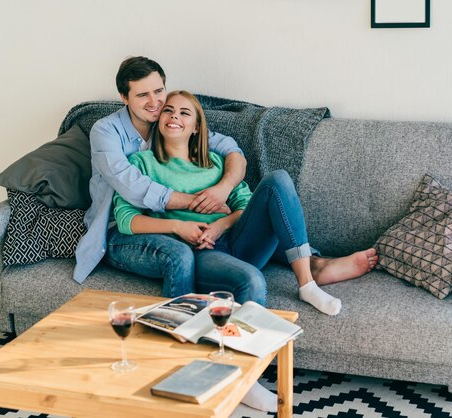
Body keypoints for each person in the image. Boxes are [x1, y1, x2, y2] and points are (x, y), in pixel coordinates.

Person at [113, 90, 379, 316]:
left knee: (278, 180)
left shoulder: (216, 162)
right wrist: (178, 227)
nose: (174, 117)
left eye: (184, 113)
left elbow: (246, 204)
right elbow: (126, 219)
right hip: (200, 253)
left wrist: (221, 224)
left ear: (196, 127)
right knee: (252, 279)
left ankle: (308, 283)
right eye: (168, 111)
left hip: (237, 240)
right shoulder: (141, 163)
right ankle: (246, 372)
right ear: (159, 120)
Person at [73, 56, 247, 299]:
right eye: (143, 95)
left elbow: (231, 149)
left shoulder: (168, 123)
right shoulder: (105, 131)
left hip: (169, 225)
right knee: (179, 254)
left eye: (158, 91)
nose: (154, 102)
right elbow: (134, 188)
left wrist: (224, 188)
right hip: (118, 230)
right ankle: (175, 326)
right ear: (124, 98)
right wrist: (199, 202)